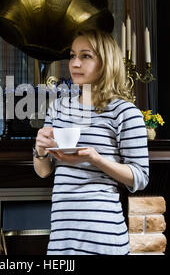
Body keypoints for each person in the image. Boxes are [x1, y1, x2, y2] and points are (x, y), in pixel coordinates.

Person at [33, 28, 149, 255]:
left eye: (85, 56)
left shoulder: (125, 112)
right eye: (72, 55)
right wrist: (40, 150)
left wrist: (95, 159)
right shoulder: (57, 108)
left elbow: (140, 177)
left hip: (102, 233)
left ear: (106, 62)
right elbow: (44, 172)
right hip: (62, 234)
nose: (75, 63)